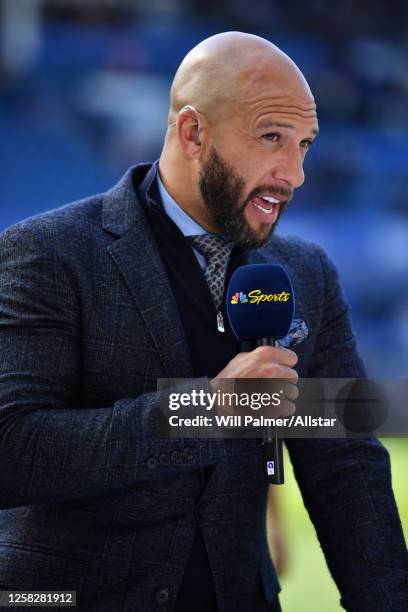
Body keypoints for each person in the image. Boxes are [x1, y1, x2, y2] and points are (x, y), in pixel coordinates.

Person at [0, 32, 406, 612]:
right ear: (193, 133)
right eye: (272, 138)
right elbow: (13, 449)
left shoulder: (307, 274)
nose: (294, 174)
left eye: (305, 145)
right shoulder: (49, 252)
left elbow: (346, 467)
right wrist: (203, 411)